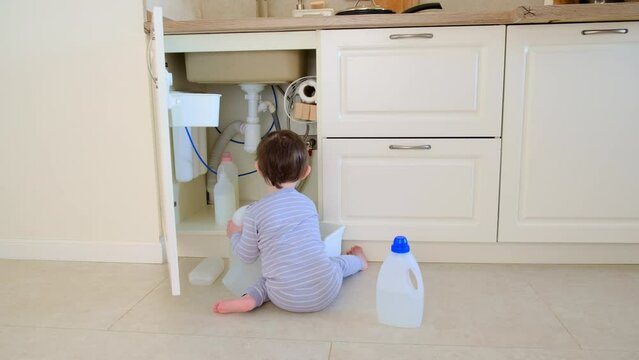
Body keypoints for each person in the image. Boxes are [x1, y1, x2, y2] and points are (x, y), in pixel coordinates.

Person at [213, 130, 368, 314]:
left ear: (258, 168)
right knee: (335, 264)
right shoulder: (308, 205)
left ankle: (249, 300)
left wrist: (235, 234)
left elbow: (247, 256)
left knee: (266, 281)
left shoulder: (254, 213)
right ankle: (359, 261)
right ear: (305, 172)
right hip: (327, 290)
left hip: (285, 298)